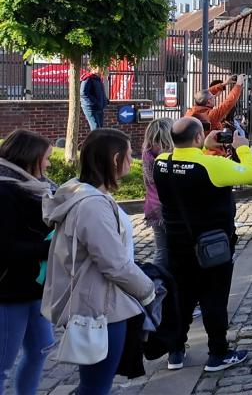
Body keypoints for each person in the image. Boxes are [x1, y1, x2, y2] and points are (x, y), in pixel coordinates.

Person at [42, 129, 156, 395]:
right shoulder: (92, 204)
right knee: (95, 387)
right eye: (129, 155)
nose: (133, 159)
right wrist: (149, 291)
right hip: (101, 306)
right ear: (115, 159)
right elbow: (114, 263)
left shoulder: (87, 194)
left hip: (104, 301)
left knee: (96, 384)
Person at [155, 117, 252, 373]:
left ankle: (176, 351)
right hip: (213, 245)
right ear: (198, 137)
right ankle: (218, 352)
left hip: (177, 244)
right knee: (214, 298)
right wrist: (242, 147)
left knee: (183, 297)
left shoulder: (162, 163)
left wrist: (202, 147)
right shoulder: (212, 165)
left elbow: (189, 164)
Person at [0, 130, 57, 395]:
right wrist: (50, 247)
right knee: (3, 362)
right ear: (29, 158)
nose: (48, 164)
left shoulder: (36, 185)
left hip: (33, 285)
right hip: (9, 289)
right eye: (46, 158)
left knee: (41, 347)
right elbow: (7, 246)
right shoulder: (4, 191)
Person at [142, 118, 174, 270]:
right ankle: (159, 280)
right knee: (169, 250)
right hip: (165, 209)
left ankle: (158, 280)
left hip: (153, 207)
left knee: (163, 250)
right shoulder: (163, 158)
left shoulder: (147, 154)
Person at [80, 65, 108, 131]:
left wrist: (105, 100)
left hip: (99, 107)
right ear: (93, 68)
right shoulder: (88, 78)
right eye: (100, 67)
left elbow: (99, 92)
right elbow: (83, 93)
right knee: (96, 129)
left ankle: (98, 141)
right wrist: (96, 102)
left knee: (100, 129)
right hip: (91, 108)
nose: (102, 69)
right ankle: (95, 141)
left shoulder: (97, 79)